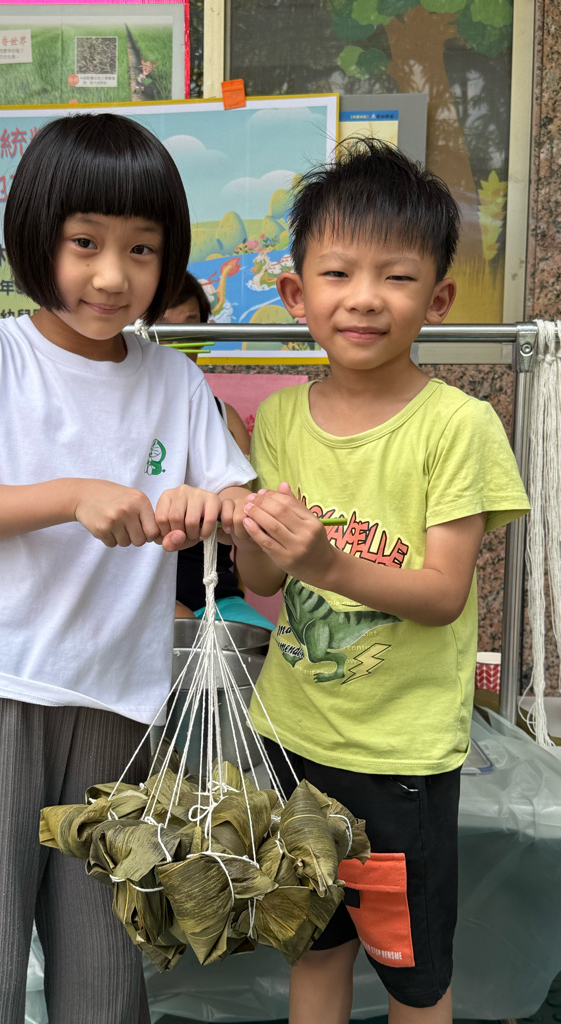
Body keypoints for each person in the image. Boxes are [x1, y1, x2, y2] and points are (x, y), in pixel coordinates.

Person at [0, 112, 254, 1024]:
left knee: (104, 968)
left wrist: (210, 509)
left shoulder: (175, 382)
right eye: (85, 242)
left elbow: (235, 509)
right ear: (36, 236)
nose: (111, 276)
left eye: (141, 249)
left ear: (168, 261)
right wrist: (71, 494)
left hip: (119, 704)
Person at [226, 140, 530, 1024]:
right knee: (315, 949)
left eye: (396, 278)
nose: (363, 298)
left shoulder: (458, 426)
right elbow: (261, 581)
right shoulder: (281, 417)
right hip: (293, 739)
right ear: (296, 295)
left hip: (399, 760)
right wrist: (246, 521)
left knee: (410, 975)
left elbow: (442, 596)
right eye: (338, 274)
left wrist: (327, 561)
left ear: (437, 300)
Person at [157, 272, 273, 630]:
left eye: (191, 325)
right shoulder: (117, 413)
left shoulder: (223, 415)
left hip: (215, 596)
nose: (179, 341)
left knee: (276, 652)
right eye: (164, 326)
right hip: (138, 599)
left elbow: (239, 526)